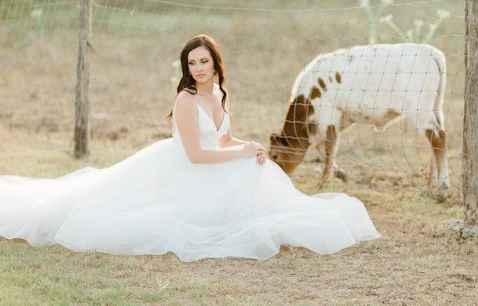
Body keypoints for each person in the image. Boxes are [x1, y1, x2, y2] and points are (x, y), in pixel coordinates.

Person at [0, 34, 380, 262]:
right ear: (186, 67)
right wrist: (240, 155)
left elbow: (223, 140)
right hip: (184, 168)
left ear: (215, 63)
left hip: (213, 163)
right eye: (192, 62)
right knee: (132, 215)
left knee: (258, 168)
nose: (198, 68)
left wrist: (248, 145)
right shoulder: (184, 100)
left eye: (204, 61)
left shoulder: (218, 92)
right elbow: (197, 154)